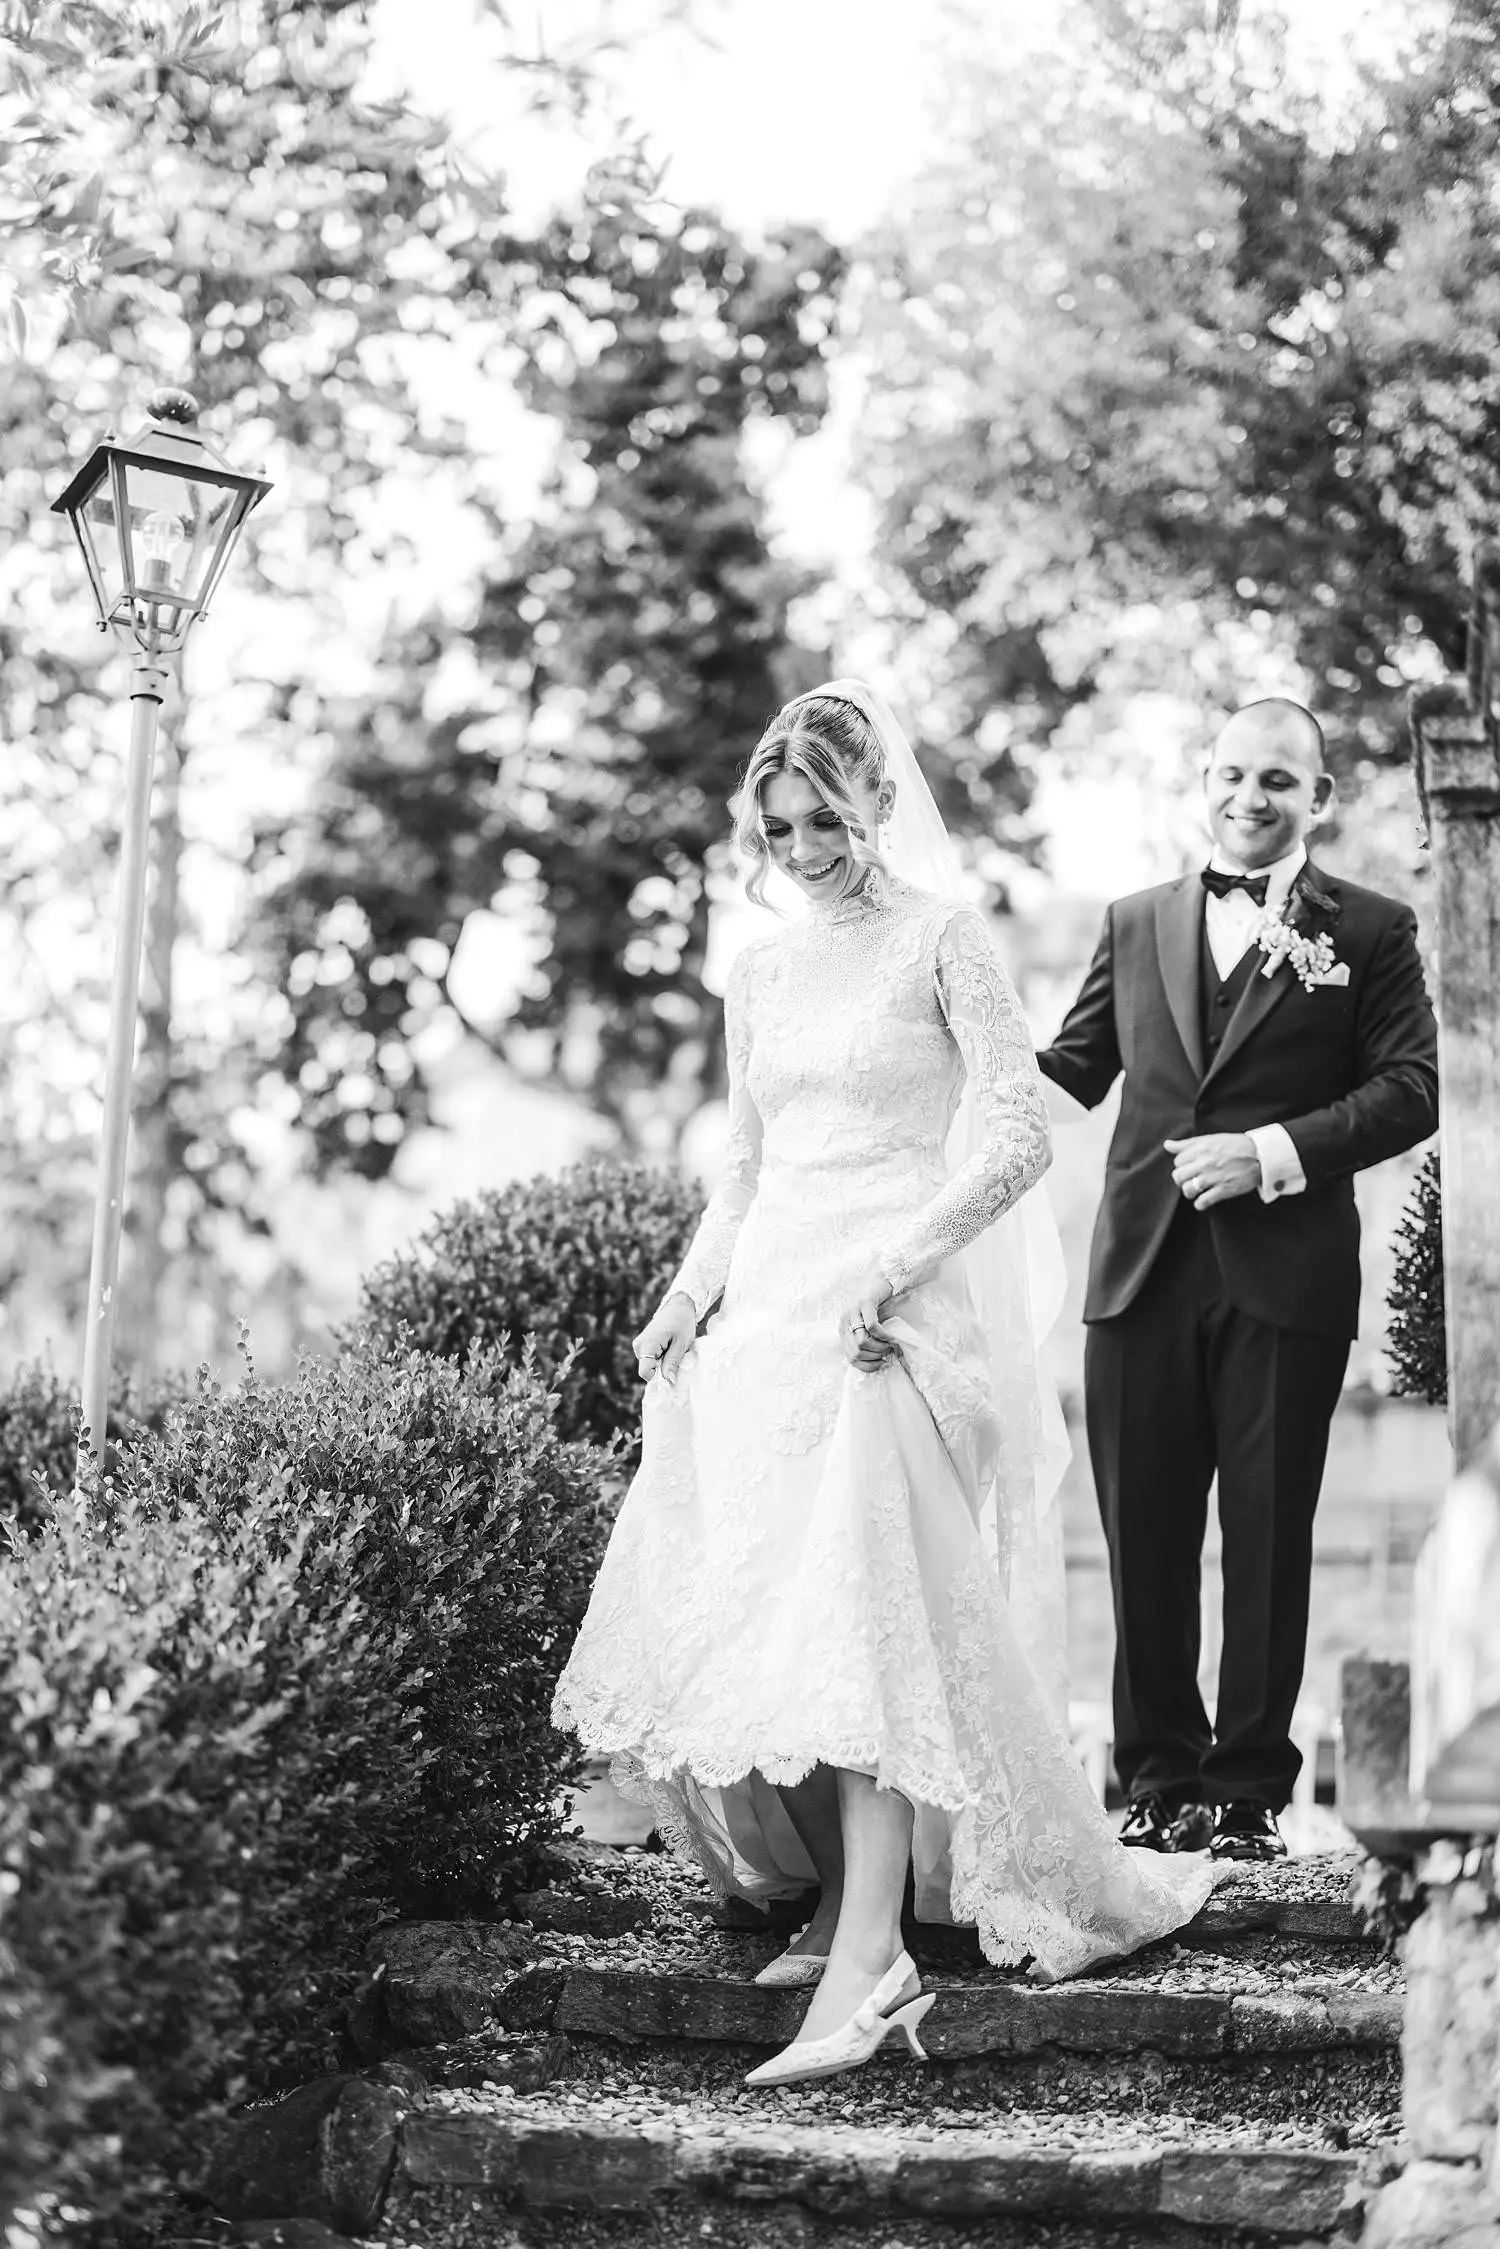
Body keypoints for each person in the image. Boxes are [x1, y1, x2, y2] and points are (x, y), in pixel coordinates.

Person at [553, 680, 1214, 2092]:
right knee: (768, 1617)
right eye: (778, 825)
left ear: (871, 805)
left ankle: (872, 1957)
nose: (799, 846)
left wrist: (904, 1264)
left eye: (822, 820)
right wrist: (680, 1301)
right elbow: (745, 1167)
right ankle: (829, 1901)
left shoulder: (942, 939)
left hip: (897, 1326)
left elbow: (1019, 1137)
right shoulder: (764, 974)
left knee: (863, 1621)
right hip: (774, 1319)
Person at [1036, 698, 1439, 1863]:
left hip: (1287, 1279)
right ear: (1200, 781)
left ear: (1318, 797)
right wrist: (944, 1033)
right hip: (1141, 1275)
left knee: (1267, 1539)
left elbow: (1411, 1089)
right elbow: (1071, 1070)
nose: (1249, 798)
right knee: (1143, 1538)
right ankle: (1156, 1781)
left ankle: (1248, 1792)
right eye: (1231, 775)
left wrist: (1268, 1155)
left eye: (1278, 780)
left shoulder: (1370, 927)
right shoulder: (1133, 920)